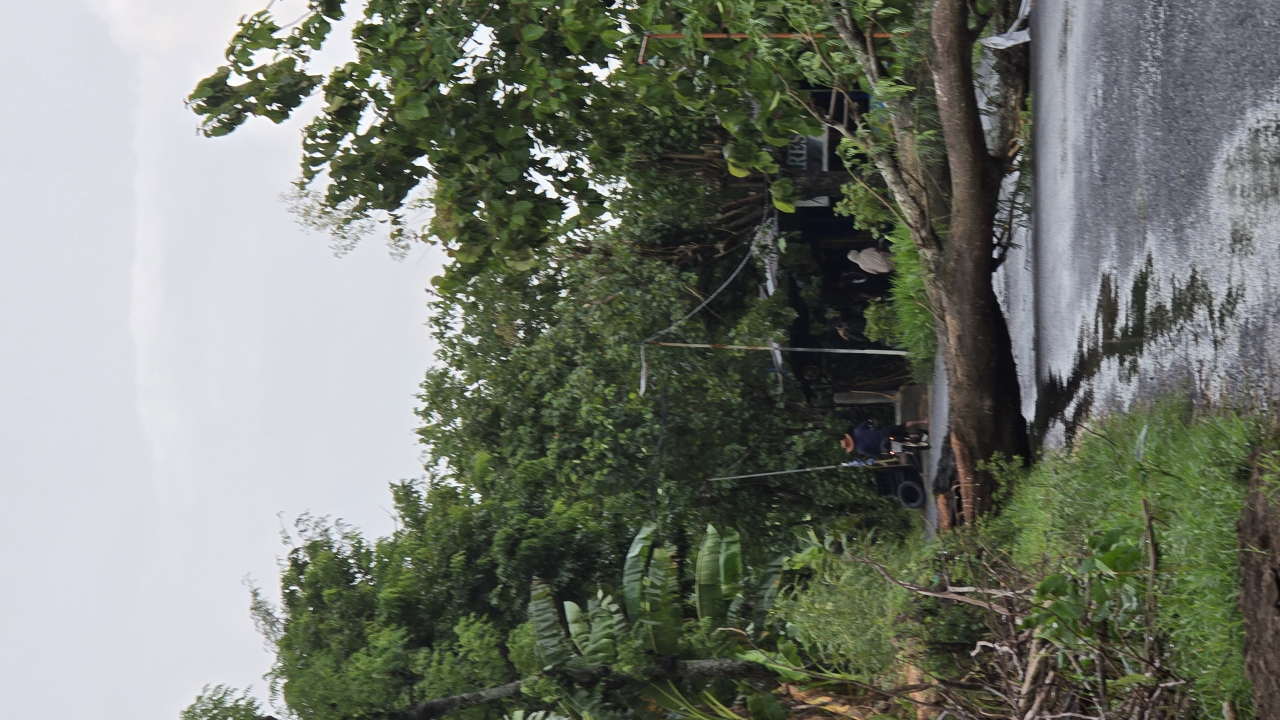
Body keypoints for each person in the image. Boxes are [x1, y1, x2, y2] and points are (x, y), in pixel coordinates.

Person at [840, 419, 928, 458]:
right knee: (903, 426)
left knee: (895, 452)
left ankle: (910, 452)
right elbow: (867, 423)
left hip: (885, 446)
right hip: (884, 433)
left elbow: (874, 454)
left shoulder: (860, 449)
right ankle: (923, 421)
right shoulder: (857, 431)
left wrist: (879, 453)